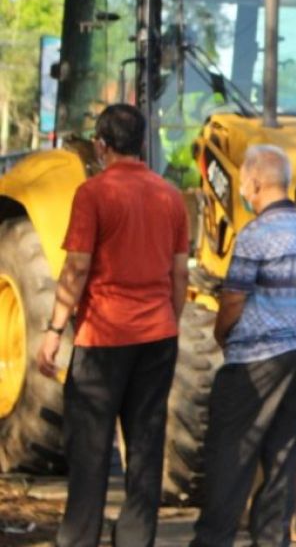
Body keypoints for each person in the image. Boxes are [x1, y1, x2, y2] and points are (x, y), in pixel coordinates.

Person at [35, 103, 189, 547]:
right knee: (145, 447)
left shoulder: (93, 194)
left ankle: (80, 538)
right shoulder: (169, 196)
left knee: (90, 449)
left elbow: (77, 268)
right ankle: (136, 539)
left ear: (102, 146)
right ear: (141, 143)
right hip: (158, 337)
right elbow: (179, 272)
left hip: (103, 338)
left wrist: (53, 330)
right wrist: (168, 321)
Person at [191, 145, 296, 547]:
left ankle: (212, 540)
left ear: (254, 181)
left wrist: (220, 336)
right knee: (281, 460)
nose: (243, 190)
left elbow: (232, 300)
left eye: (245, 182)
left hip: (256, 359)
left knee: (229, 458)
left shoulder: (254, 235)